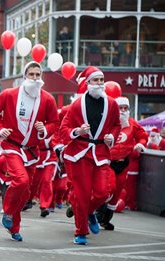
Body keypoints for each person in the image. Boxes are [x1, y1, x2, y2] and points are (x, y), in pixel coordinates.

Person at [0, 61, 59, 241]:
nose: (35, 78)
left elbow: (54, 123)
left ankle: (14, 227)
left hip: (32, 151)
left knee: (26, 192)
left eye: (38, 75)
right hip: (12, 146)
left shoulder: (48, 99)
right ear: (24, 76)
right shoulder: (9, 94)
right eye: (31, 75)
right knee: (21, 180)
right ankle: (8, 211)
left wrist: (44, 129)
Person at [60, 66, 121, 245]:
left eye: (102, 80)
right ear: (87, 84)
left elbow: (117, 125)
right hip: (79, 154)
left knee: (103, 192)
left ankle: (89, 212)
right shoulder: (77, 105)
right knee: (81, 195)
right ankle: (80, 232)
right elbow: (63, 129)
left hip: (101, 152)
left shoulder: (111, 103)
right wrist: (77, 131)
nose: (100, 83)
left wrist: (112, 137)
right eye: (96, 80)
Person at [96, 96, 147, 230]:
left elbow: (142, 136)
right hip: (109, 162)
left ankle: (106, 220)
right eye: (120, 108)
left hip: (124, 163)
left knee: (117, 192)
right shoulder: (108, 123)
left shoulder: (132, 124)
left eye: (125, 108)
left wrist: (140, 145)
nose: (123, 111)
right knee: (110, 188)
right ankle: (97, 211)